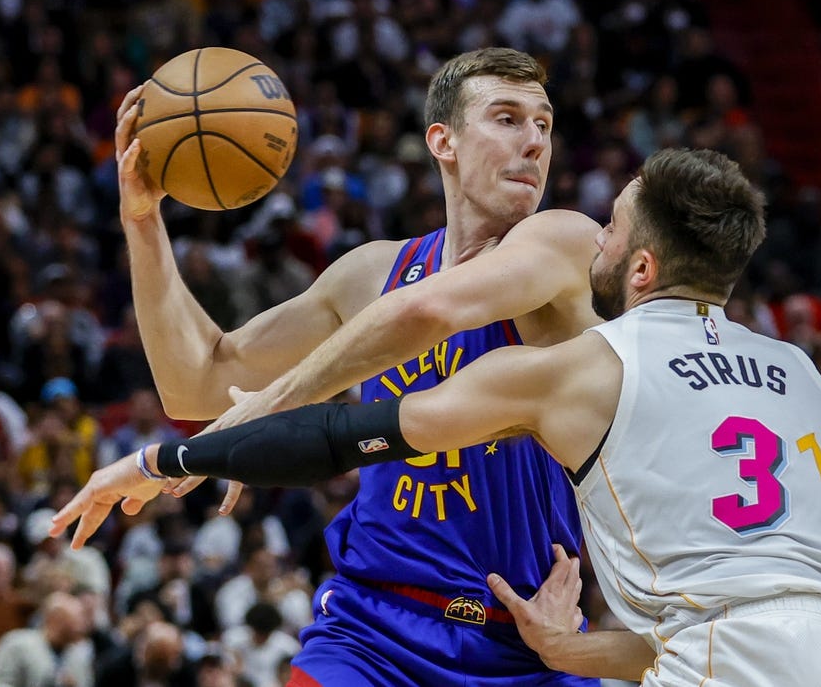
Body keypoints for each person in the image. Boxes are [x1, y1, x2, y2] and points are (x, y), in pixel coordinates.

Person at [54, 148, 821, 686]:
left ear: (638, 267)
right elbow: (706, 629)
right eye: (509, 117)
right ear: (444, 140)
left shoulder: (575, 346)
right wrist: (571, 649)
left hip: (691, 656)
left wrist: (167, 463)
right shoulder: (801, 376)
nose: (597, 232)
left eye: (612, 228)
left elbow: (352, 413)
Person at [110, 47, 602, 685]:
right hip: (369, 628)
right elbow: (198, 381)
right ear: (443, 141)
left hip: (524, 642)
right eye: (507, 118)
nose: (534, 141)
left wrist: (268, 405)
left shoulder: (566, 245)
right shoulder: (374, 272)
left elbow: (425, 313)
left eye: (544, 123)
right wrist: (143, 223)